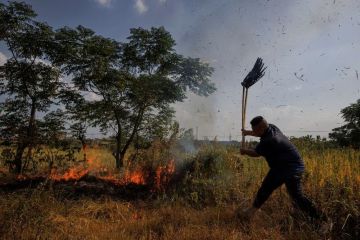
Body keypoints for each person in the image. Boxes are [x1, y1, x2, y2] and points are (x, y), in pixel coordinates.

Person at [238, 116, 327, 224]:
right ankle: (250, 212)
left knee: (297, 196)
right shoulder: (272, 127)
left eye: (255, 130)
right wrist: (247, 132)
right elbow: (258, 133)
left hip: (292, 168)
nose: (254, 132)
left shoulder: (269, 140)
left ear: (261, 129)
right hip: (279, 167)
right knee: (265, 188)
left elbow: (256, 153)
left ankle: (322, 220)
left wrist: (244, 151)